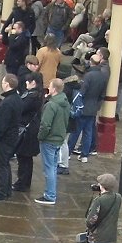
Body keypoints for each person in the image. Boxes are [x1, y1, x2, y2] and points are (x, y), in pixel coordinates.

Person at [0, 72, 26, 202]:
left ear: (7, 84)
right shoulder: (16, 99)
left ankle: (0, 193)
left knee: (0, 166)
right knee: (5, 164)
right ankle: (6, 190)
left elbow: (3, 122)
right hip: (12, 138)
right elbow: (8, 111)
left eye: (3, 82)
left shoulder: (8, 103)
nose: (1, 84)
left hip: (3, 140)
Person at [34, 76, 70, 204]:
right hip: (59, 139)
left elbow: (45, 125)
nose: (48, 88)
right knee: (53, 167)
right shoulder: (65, 103)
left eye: (50, 86)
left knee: (48, 168)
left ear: (54, 89)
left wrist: (40, 137)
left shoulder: (51, 105)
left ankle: (50, 195)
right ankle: (51, 193)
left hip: (49, 140)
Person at [69, 48, 108, 161]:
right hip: (93, 107)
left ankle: (68, 152)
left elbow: (82, 92)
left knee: (75, 131)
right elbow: (102, 94)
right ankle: (84, 155)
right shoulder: (103, 77)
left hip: (83, 106)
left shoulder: (88, 76)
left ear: (90, 62)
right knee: (88, 132)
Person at [12, 63, 44, 192]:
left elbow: (21, 108)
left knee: (23, 157)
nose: (26, 84)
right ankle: (25, 182)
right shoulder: (36, 95)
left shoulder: (32, 97)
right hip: (30, 129)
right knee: (26, 158)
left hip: (27, 131)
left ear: (33, 83)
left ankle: (22, 183)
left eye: (28, 82)